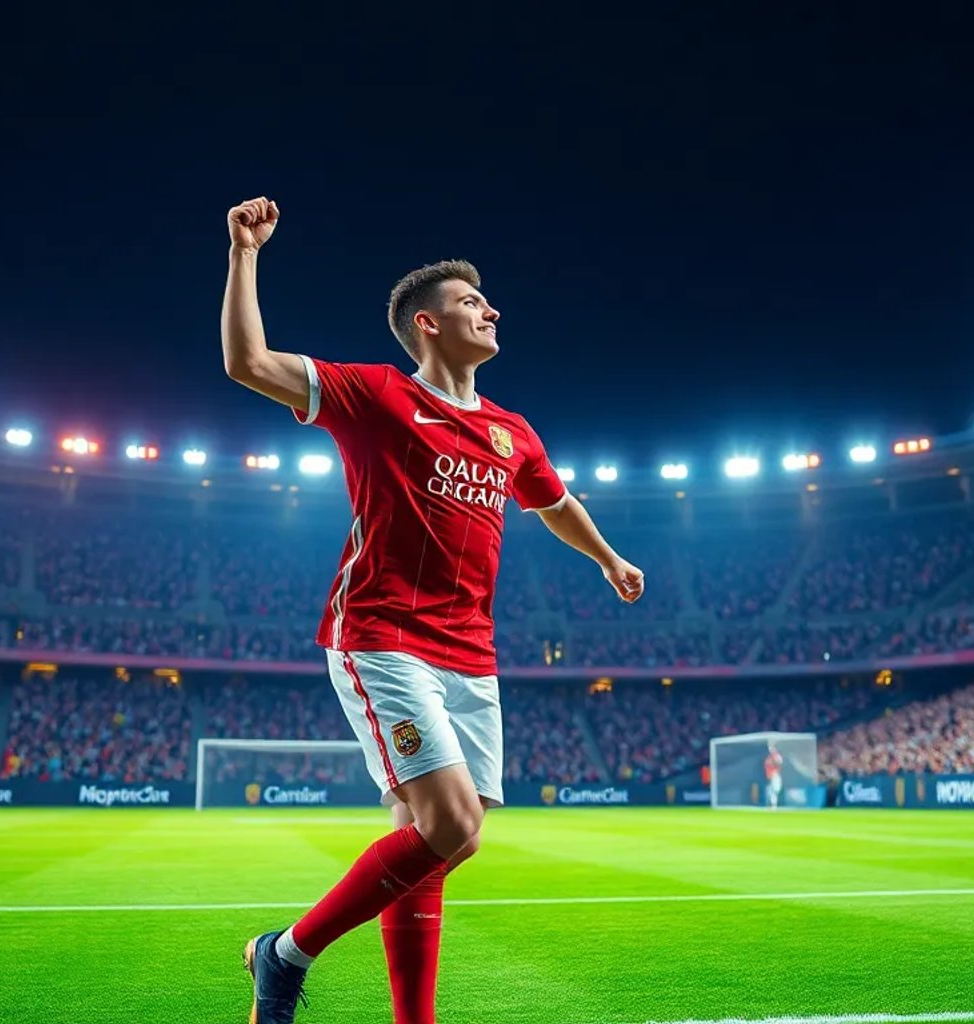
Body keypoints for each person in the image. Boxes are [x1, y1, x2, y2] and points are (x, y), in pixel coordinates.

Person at [221, 197, 644, 1024]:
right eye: (468, 303)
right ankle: (284, 955)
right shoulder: (377, 396)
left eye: (486, 301)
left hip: (470, 653)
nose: (489, 309)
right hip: (381, 634)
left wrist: (608, 557)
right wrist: (244, 255)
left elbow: (552, 502)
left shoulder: (510, 431)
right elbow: (247, 362)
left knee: (446, 844)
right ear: (427, 325)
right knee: (449, 823)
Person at [764, 742, 785, 809]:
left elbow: (779, 763)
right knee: (771, 791)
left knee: (775, 790)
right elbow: (767, 766)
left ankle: (774, 805)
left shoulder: (777, 756)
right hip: (770, 776)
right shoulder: (768, 757)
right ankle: (772, 805)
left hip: (775, 774)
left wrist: (774, 761)